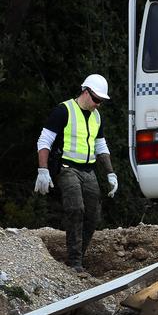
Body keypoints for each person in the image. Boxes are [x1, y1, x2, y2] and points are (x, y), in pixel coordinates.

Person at [34, 74, 118, 272]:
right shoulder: (63, 111)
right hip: (66, 168)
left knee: (93, 215)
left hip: (88, 170)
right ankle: (75, 263)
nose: (98, 104)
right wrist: (43, 170)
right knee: (76, 209)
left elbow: (100, 145)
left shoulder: (97, 116)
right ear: (85, 91)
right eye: (96, 99)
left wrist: (110, 174)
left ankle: (78, 255)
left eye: (101, 101)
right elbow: (44, 141)